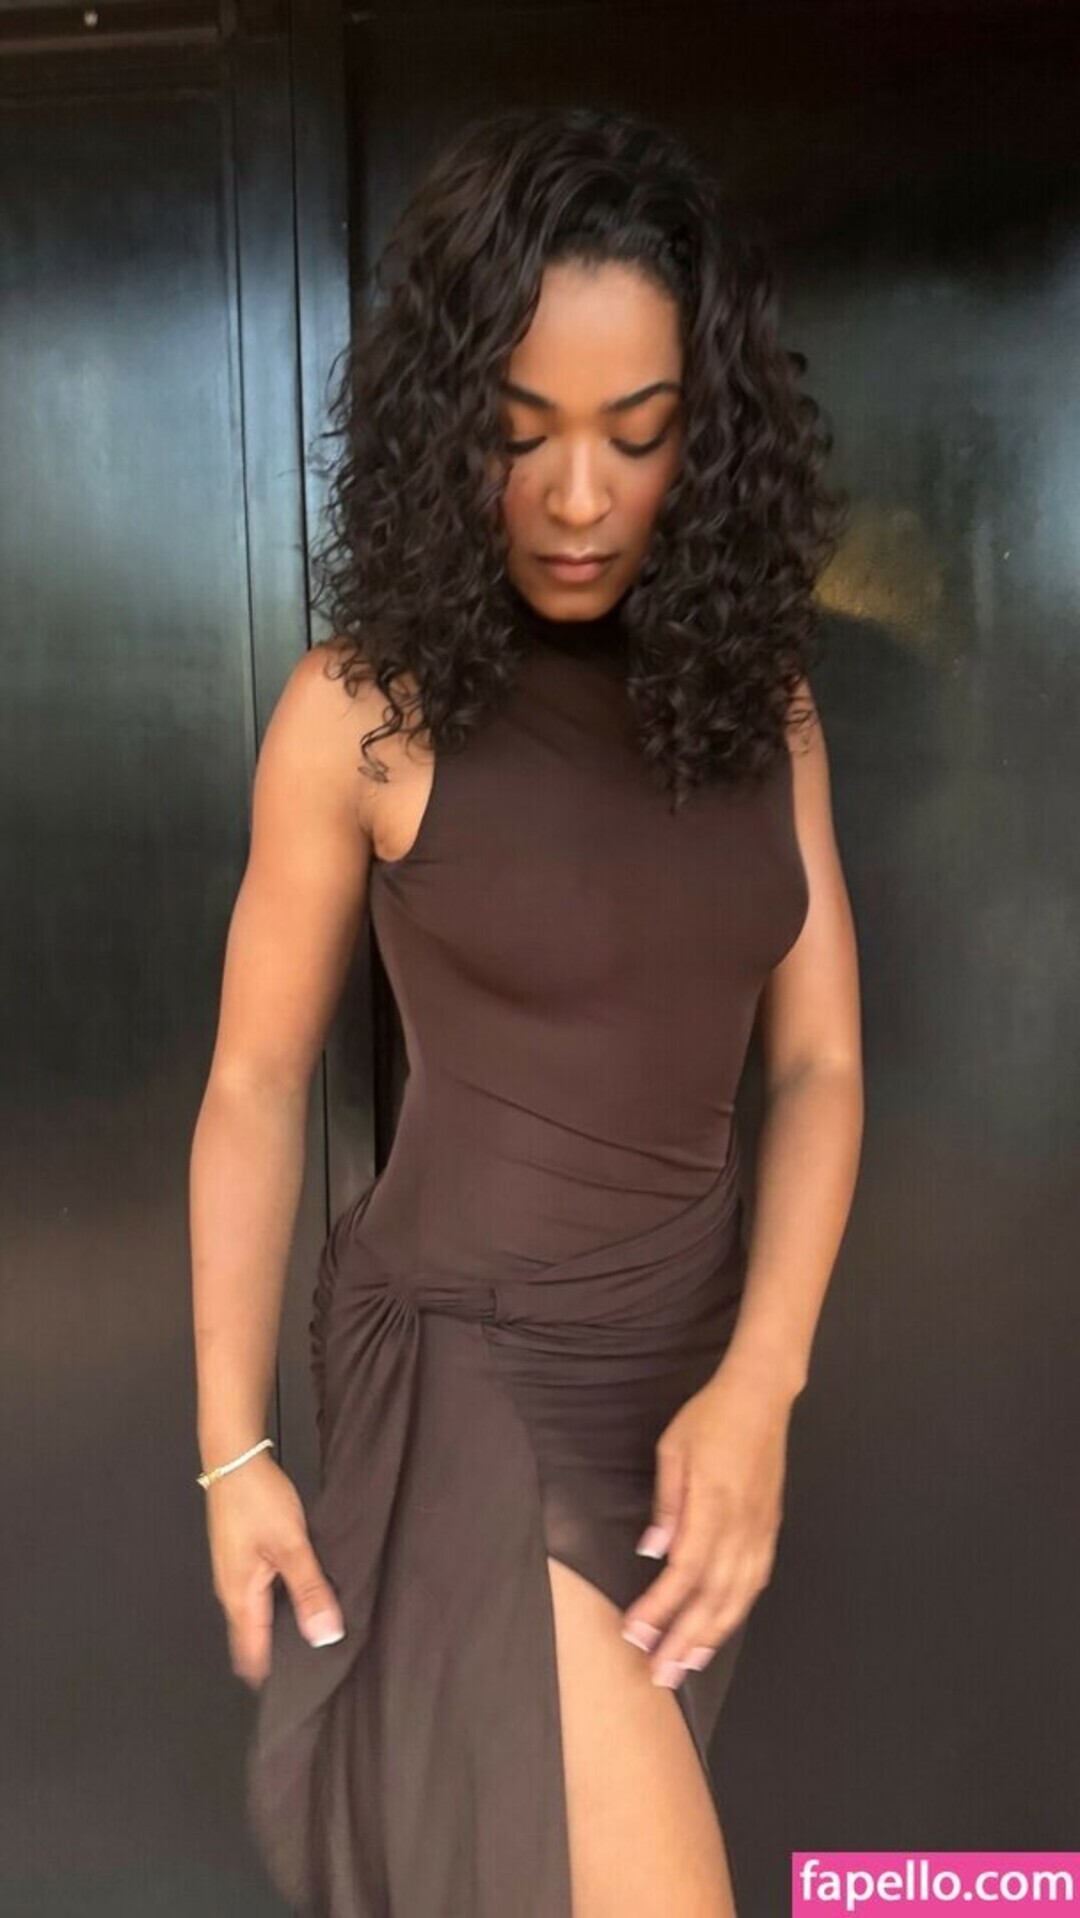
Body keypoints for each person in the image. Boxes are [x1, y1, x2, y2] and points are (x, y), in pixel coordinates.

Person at [190, 104, 863, 1918]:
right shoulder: (361, 715)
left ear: (706, 439)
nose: (577, 496)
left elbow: (818, 1063)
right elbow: (252, 1082)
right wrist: (232, 1444)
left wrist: (762, 1384)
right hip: (463, 1386)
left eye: (636, 436)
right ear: (443, 430)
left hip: (686, 1395)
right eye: (519, 430)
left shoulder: (766, 705)